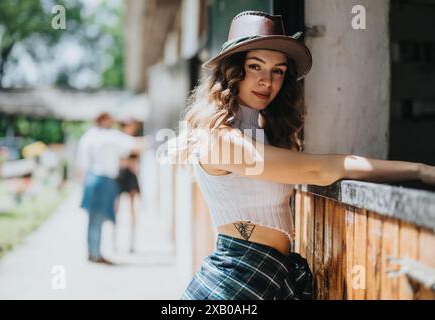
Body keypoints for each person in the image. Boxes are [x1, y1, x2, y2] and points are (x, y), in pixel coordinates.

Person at [167, 11, 435, 300]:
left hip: (270, 276)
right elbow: (318, 170)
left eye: (278, 70)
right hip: (234, 283)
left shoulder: (261, 132)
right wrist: (420, 170)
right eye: (255, 66)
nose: (266, 80)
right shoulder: (219, 138)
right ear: (233, 70)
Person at [76, 112, 147, 264]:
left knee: (93, 218)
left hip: (91, 178)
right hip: (103, 179)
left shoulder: (88, 136)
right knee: (98, 218)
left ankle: (93, 251)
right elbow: (135, 144)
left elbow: (81, 163)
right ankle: (95, 253)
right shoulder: (111, 136)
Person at [114, 119, 142, 253]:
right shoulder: (120, 140)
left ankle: (131, 242)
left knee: (132, 210)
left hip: (130, 176)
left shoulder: (132, 141)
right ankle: (114, 241)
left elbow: (135, 163)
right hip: (120, 176)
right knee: (116, 210)